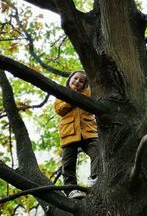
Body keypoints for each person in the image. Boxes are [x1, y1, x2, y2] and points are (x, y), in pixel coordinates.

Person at [54, 70, 99, 199]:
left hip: (88, 132)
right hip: (69, 133)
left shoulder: (88, 93)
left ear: (85, 85)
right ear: (69, 79)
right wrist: (72, 98)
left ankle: (94, 178)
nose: (77, 82)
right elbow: (59, 109)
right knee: (68, 163)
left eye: (81, 81)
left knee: (98, 151)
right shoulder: (61, 93)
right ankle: (71, 190)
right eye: (75, 79)